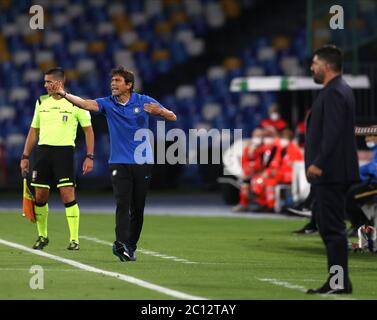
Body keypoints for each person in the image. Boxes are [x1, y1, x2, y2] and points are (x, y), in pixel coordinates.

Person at [50, 66, 177, 262]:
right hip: (118, 162)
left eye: (117, 81)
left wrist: (160, 111)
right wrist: (64, 94)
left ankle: (130, 247)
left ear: (129, 85)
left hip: (142, 162)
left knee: (138, 208)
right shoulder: (108, 103)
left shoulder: (144, 101)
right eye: (112, 81)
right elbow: (84, 104)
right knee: (122, 203)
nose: (113, 84)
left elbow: (172, 116)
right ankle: (120, 244)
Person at [20, 67, 94, 251]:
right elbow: (33, 130)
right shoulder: (41, 102)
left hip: (65, 153)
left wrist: (89, 156)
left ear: (60, 82)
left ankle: (74, 239)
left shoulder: (76, 103)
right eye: (45, 82)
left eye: (49, 82)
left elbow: (88, 130)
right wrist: (25, 156)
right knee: (40, 195)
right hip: (43, 153)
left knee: (67, 194)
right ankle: (42, 236)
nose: (45, 85)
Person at [305, 45, 359, 294]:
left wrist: (319, 162)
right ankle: (339, 281)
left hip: (331, 172)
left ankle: (338, 283)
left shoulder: (334, 92)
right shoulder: (339, 90)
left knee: (332, 229)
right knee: (330, 228)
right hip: (335, 171)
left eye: (315, 63)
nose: (311, 68)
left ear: (326, 66)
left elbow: (333, 132)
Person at [345, 135, 377, 236]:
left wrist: (366, 171)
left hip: (374, 185)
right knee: (348, 190)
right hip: (372, 183)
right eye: (366, 137)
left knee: (351, 196)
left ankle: (361, 226)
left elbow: (373, 170)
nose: (366, 139)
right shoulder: (375, 151)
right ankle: (360, 225)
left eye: (370, 136)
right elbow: (369, 168)